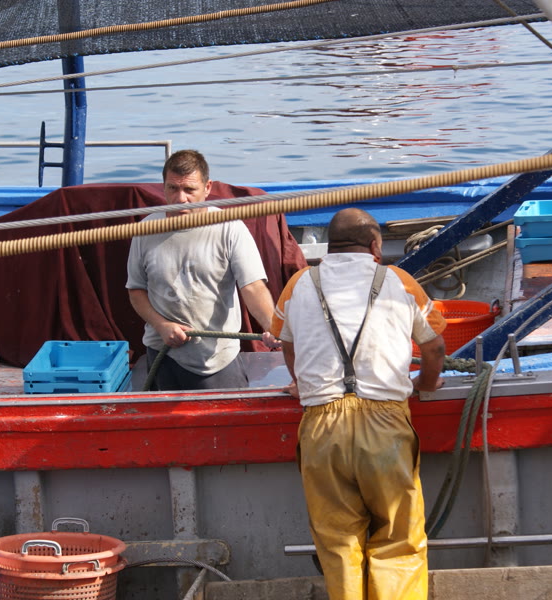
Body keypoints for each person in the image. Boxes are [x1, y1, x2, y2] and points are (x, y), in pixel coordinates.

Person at [270, 207, 446, 600]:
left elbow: (287, 343)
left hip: (321, 426)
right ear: (375, 245)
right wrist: (425, 384)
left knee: (337, 542)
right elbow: (434, 348)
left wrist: (303, 384)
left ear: (329, 246)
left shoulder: (299, 283)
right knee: (399, 538)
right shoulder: (399, 280)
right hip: (385, 425)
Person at [126, 149, 277, 390]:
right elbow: (136, 291)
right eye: (173, 188)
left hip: (217, 360)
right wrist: (161, 325)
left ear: (207, 188)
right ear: (163, 187)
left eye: (189, 190)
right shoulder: (145, 230)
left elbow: (253, 287)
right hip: (162, 354)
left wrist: (272, 326)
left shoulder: (230, 228)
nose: (180, 198)